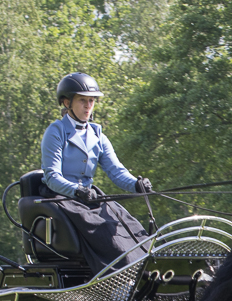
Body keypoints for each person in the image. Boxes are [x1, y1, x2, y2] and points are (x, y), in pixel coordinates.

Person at [40, 73, 153, 274]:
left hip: (89, 197)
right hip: (63, 199)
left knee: (129, 225)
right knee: (105, 228)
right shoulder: (55, 132)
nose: (88, 105)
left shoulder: (97, 134)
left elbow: (116, 171)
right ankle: (122, 277)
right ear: (67, 102)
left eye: (91, 101)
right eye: (82, 100)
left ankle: (148, 268)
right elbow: (51, 177)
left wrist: (136, 184)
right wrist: (77, 190)